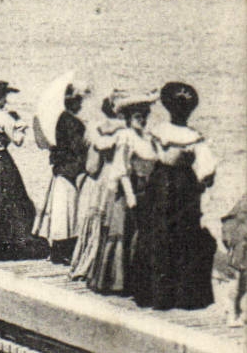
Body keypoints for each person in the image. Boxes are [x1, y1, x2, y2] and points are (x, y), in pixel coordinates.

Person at [130, 82, 218, 311]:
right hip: (184, 187)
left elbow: (147, 156)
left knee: (156, 233)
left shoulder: (158, 131)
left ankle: (153, 294)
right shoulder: (194, 136)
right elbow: (207, 169)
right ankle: (182, 296)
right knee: (184, 236)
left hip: (160, 184)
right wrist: (203, 183)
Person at [83, 91, 157, 295]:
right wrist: (131, 197)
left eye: (144, 115)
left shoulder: (148, 138)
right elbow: (121, 168)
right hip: (127, 193)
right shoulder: (125, 136)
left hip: (145, 192)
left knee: (141, 235)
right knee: (124, 234)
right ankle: (117, 282)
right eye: (137, 116)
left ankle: (139, 281)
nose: (142, 120)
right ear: (128, 118)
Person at [0, 79, 48, 260]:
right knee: (12, 200)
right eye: (4, 97)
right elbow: (18, 141)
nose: (5, 100)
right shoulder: (5, 117)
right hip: (1, 159)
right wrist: (21, 126)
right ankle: (7, 242)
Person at [32, 82, 90, 264]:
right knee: (68, 210)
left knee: (61, 211)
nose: (80, 104)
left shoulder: (57, 120)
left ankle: (58, 248)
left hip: (61, 169)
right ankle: (63, 249)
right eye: (77, 101)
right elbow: (78, 147)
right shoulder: (71, 122)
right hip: (71, 169)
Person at [69, 95, 125, 282]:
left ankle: (88, 265)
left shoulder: (97, 129)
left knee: (98, 223)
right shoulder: (129, 131)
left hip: (104, 178)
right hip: (125, 179)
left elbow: (91, 167)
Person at [221, 193, 247, 325]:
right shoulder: (243, 203)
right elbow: (229, 225)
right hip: (240, 253)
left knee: (242, 285)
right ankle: (231, 313)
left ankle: (240, 314)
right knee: (236, 285)